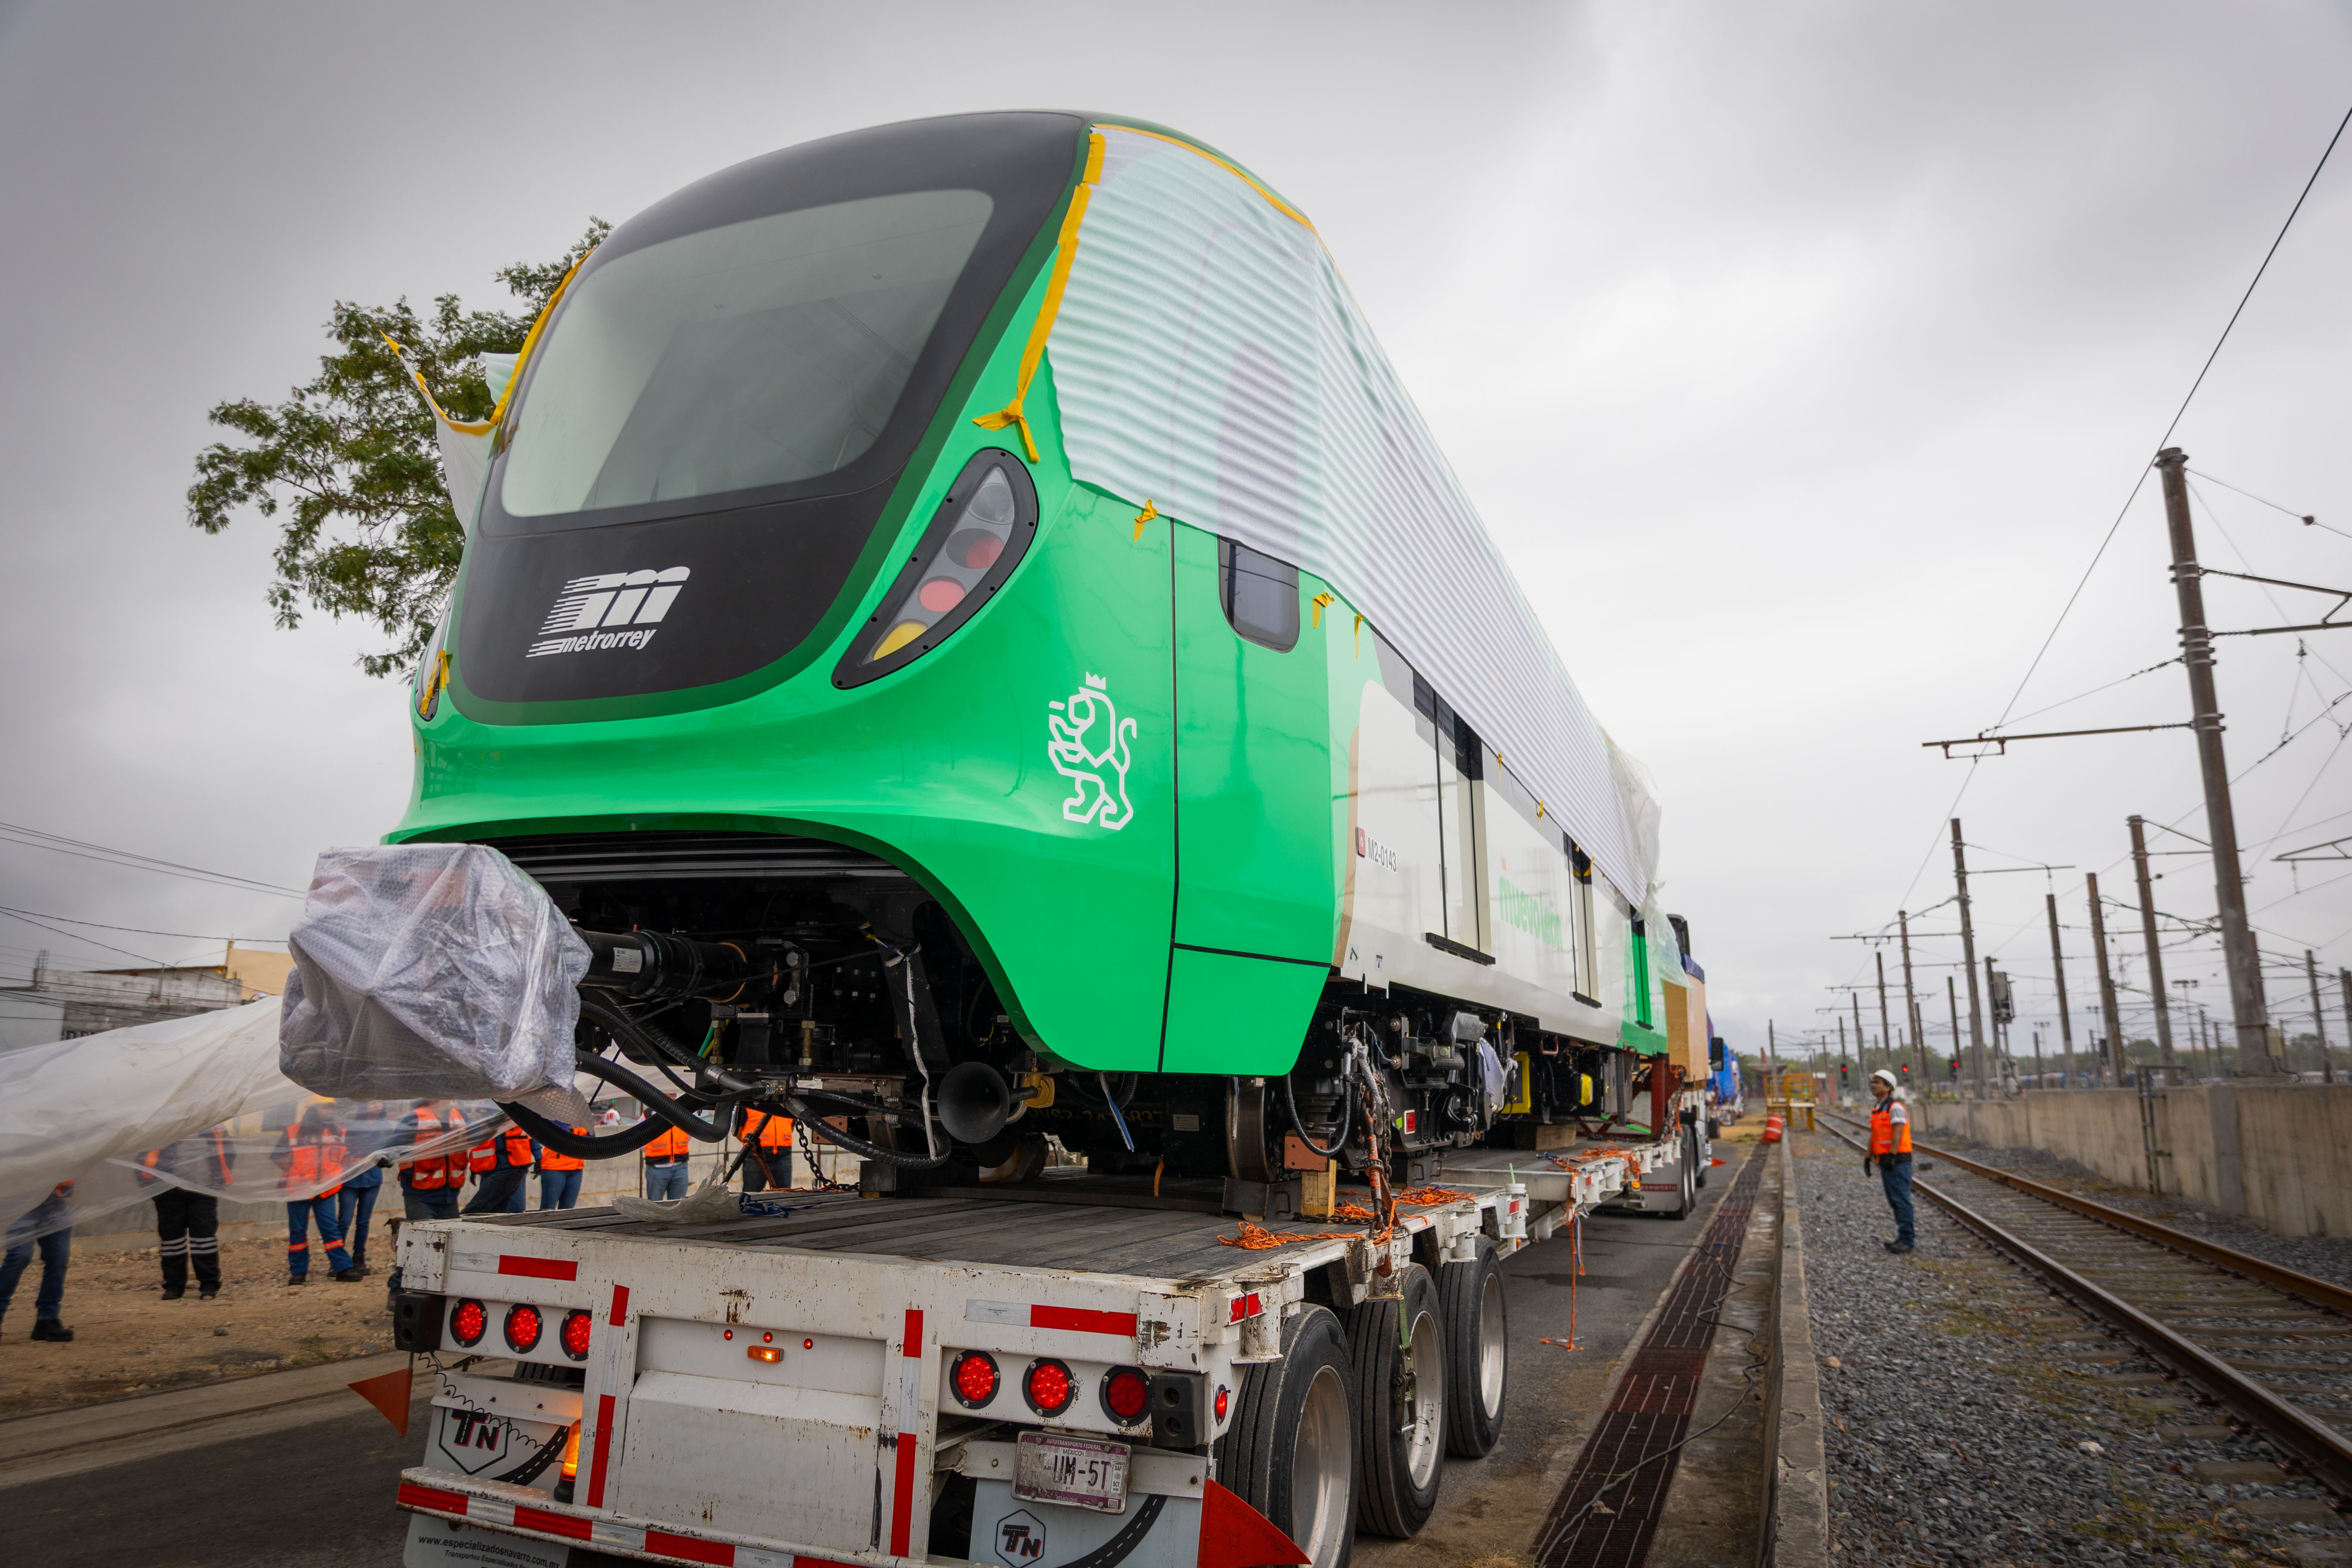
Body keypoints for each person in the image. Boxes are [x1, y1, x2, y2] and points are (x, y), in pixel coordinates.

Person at [139, 1127, 230, 1300]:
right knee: (173, 1241)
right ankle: (174, 1286)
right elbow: (145, 1158)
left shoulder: (214, 1129)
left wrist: (217, 1182)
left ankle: (209, 1285)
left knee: (205, 1240)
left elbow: (228, 1153)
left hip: (204, 1191)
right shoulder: (166, 1128)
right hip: (170, 1194)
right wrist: (155, 1191)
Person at [276, 1103, 355, 1283]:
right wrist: (298, 1173)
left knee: (330, 1229)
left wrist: (332, 1175)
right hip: (299, 1189)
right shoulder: (292, 1131)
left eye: (331, 1108)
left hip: (325, 1190)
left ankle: (342, 1268)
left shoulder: (338, 1131)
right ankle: (298, 1273)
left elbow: (346, 1157)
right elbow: (278, 1157)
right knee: (298, 1231)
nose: (330, 1111)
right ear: (313, 1110)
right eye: (325, 1108)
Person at [0, 1182, 75, 1340]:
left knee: (59, 1257)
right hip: (19, 1204)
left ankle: (47, 1320)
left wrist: (65, 1189)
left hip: (54, 1204)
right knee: (20, 1255)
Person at [1864, 1068, 1915, 1254]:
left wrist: (1892, 1155)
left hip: (1898, 1161)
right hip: (1886, 1161)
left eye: (1877, 1082)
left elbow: (1899, 1131)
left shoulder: (1895, 1108)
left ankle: (1907, 1241)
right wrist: (1868, 1158)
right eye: (1873, 1082)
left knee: (1902, 1201)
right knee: (1895, 1201)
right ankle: (1902, 1238)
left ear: (1888, 1087)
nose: (1873, 1085)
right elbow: (1875, 1135)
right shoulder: (1878, 1109)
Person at [335, 1104, 389, 1279]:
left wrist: (388, 1160)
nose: (376, 1106)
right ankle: (338, 1261)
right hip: (351, 1175)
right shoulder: (353, 1125)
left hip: (373, 1176)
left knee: (364, 1221)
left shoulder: (385, 1127)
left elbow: (389, 1149)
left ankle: (359, 1258)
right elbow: (343, 1147)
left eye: (379, 1102)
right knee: (344, 1219)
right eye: (372, 1103)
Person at [397, 1100, 465, 1220]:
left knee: (451, 1237)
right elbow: (395, 1146)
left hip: (450, 1196)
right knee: (423, 1237)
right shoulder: (415, 1117)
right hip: (420, 1195)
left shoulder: (459, 1116)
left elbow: (479, 1132)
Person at [462, 1121, 535, 1215]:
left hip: (510, 1167)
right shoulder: (481, 1117)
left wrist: (538, 1157)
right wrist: (475, 1166)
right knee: (495, 1211)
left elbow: (530, 1137)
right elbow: (479, 1145)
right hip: (491, 1168)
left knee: (475, 1210)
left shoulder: (505, 1113)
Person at [736, 1106, 794, 1193]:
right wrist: (751, 1146)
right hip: (755, 1158)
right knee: (752, 1195)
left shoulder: (789, 1105)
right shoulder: (748, 1104)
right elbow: (738, 1132)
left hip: (783, 1156)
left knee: (784, 1195)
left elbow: (792, 1126)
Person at [643, 1117, 690, 1201]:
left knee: (678, 1207)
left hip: (680, 1168)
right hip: (656, 1170)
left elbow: (691, 1132)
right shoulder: (648, 1115)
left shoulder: (683, 1113)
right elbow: (639, 1139)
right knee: (655, 1207)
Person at [538, 1128, 586, 1210]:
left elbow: (590, 1137)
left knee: (568, 1211)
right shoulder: (555, 1119)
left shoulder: (582, 1120)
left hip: (576, 1169)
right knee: (548, 1209)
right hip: (554, 1168)